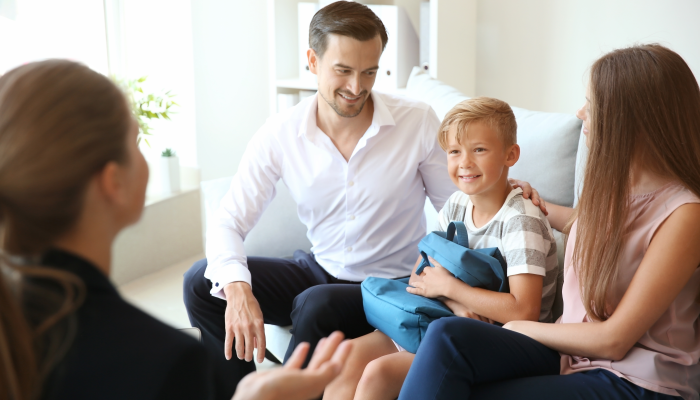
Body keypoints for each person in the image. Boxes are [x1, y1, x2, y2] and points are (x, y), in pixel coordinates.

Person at [0, 59, 353, 400]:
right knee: (202, 280)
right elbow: (229, 219)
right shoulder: (167, 361)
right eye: (136, 143)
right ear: (113, 182)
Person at [397, 43, 700, 400]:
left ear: (632, 118)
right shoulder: (613, 192)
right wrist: (529, 198)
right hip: (572, 358)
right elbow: (597, 229)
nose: (581, 112)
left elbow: (614, 339)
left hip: (636, 380)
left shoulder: (686, 214)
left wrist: (516, 327)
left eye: (594, 104)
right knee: (448, 336)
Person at [182, 1, 457, 390]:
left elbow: (458, 212)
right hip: (320, 267)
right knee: (202, 282)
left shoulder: (417, 122)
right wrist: (239, 289)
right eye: (342, 71)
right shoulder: (281, 132)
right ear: (312, 60)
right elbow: (229, 219)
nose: (356, 87)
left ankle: (282, 395)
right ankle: (238, 392)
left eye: (370, 72)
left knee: (316, 304)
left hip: (390, 285)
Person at [324, 97, 559, 400]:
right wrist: (457, 302)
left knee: (377, 374)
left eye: (479, 150)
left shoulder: (520, 220)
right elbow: (420, 277)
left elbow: (524, 310)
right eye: (454, 151)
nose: (465, 163)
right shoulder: (457, 204)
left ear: (510, 155)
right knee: (344, 359)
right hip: (449, 317)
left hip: (511, 339)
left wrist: (450, 289)